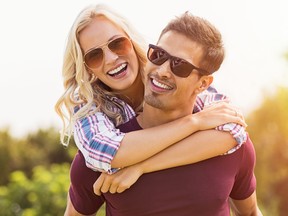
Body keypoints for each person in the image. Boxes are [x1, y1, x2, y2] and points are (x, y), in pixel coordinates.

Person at [63, 7, 262, 216]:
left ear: (203, 84)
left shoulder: (226, 140)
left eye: (179, 65)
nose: (162, 70)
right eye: (158, 55)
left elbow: (250, 212)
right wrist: (194, 123)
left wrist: (140, 167)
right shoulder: (99, 159)